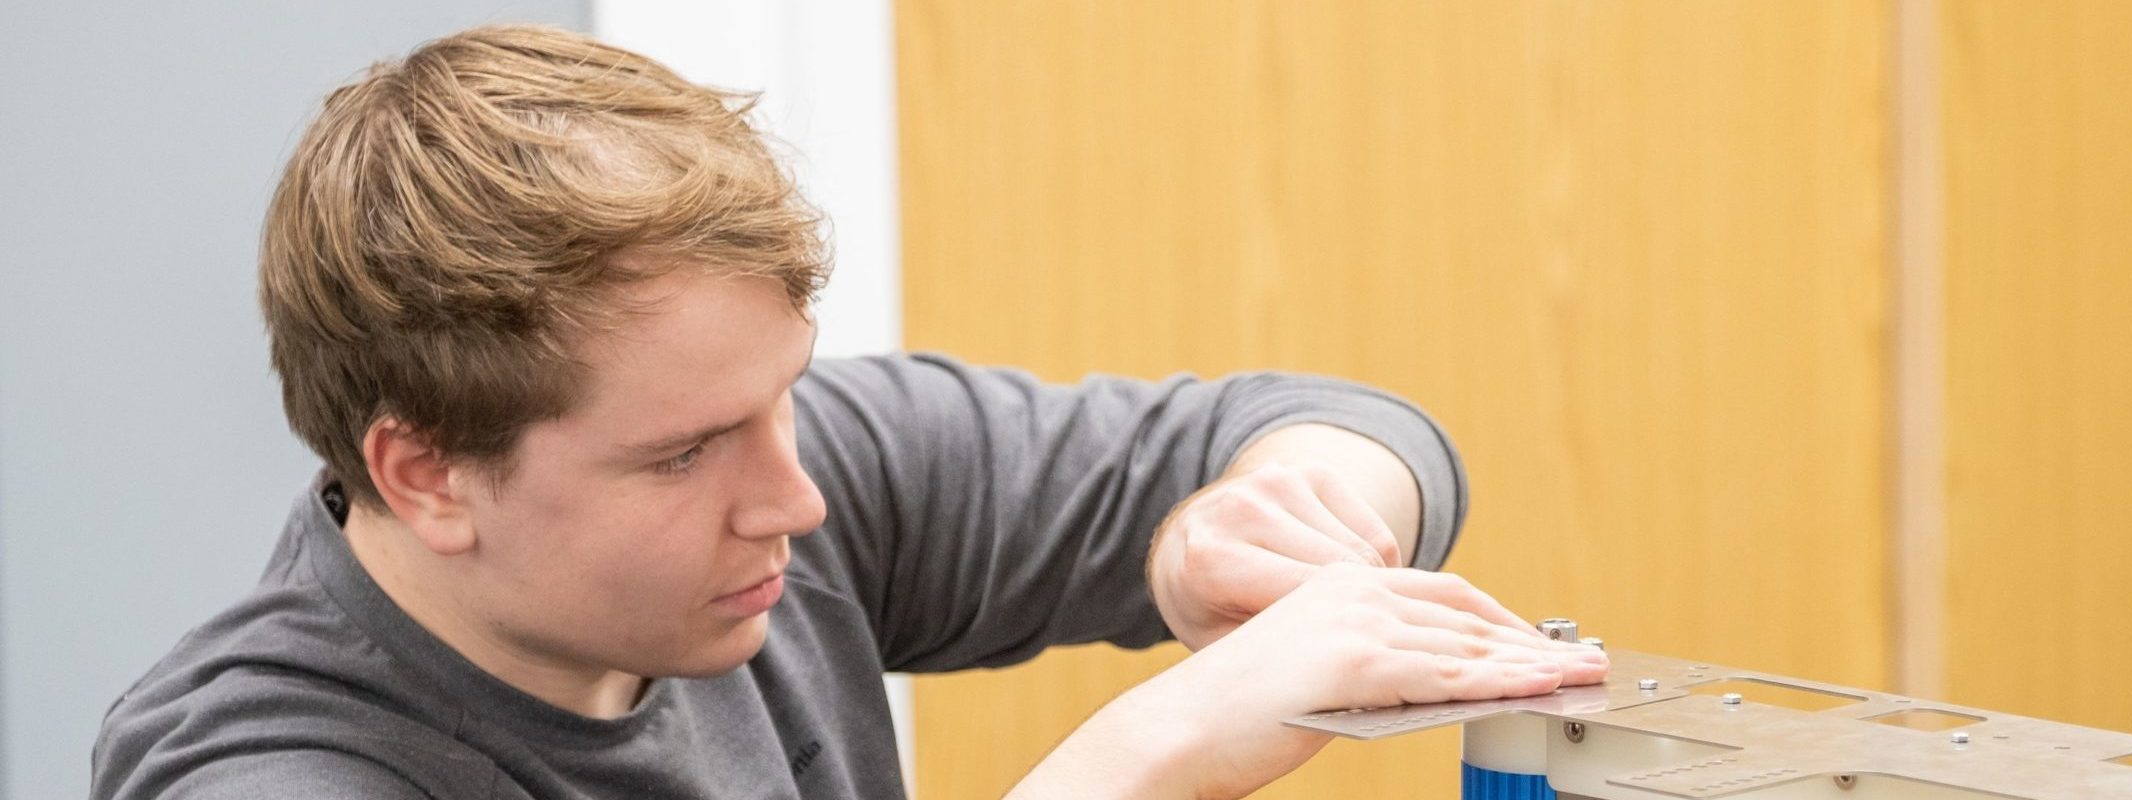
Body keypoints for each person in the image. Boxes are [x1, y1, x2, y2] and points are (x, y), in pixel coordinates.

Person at [88, 23, 1607, 799]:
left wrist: (1270, 519)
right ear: (425, 473)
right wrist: (1159, 751)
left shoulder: (797, 489)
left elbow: (1331, 420)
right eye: (682, 451)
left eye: (784, 403)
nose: (793, 499)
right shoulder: (269, 768)